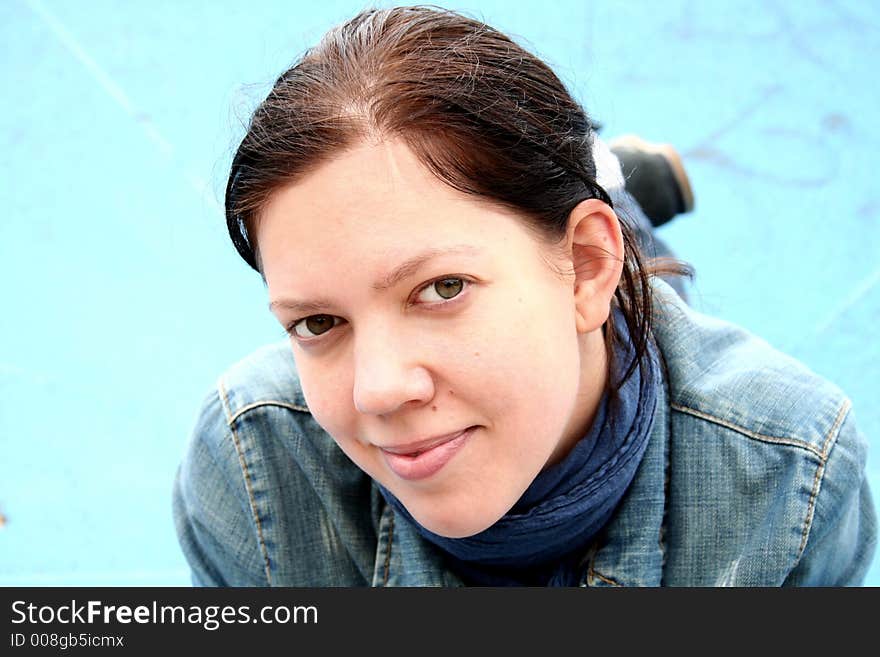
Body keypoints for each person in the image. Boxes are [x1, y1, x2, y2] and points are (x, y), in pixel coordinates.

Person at [172, 6, 876, 586]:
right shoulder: (253, 462)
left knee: (649, 274)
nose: (379, 391)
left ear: (586, 265)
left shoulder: (791, 476)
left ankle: (606, 180)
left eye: (442, 288)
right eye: (318, 320)